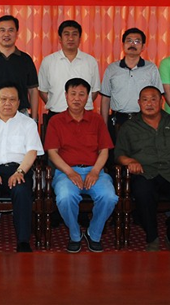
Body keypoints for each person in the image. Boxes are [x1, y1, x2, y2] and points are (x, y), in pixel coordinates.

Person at [114, 86, 170, 251]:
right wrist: (130, 161)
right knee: (143, 193)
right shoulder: (129, 126)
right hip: (144, 172)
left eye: (153, 99)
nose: (149, 103)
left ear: (161, 101)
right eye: (145, 100)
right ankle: (152, 237)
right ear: (139, 103)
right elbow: (119, 154)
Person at [45, 78, 118, 253]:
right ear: (66, 96)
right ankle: (75, 234)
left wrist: (95, 171)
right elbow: (52, 153)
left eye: (81, 94)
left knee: (109, 197)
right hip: (66, 172)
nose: (77, 98)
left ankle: (94, 234)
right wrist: (70, 172)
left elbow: (104, 151)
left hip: (95, 171)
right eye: (73, 94)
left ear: (88, 98)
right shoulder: (56, 121)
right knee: (65, 198)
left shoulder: (97, 120)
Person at [0, 82, 44, 252]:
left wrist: (20, 172)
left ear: (19, 102)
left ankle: (23, 241)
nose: (7, 103)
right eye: (3, 99)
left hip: (19, 170)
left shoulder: (28, 123)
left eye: (12, 99)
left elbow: (32, 152)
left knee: (21, 191)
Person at [100, 27, 163, 141]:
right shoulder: (112, 69)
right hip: (118, 121)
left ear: (143, 47)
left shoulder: (151, 69)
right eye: (129, 41)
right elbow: (105, 99)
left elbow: (158, 99)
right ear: (123, 45)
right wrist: (104, 126)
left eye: (137, 41)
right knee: (118, 151)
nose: (132, 44)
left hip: (144, 121)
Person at [0, 15, 39, 121]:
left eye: (11, 30)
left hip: (20, 116)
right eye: (2, 30)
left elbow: (33, 91)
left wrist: (34, 119)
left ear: (17, 33)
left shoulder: (25, 59)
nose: (6, 34)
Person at [39, 20, 100, 125]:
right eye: (66, 34)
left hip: (84, 117)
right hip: (56, 115)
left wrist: (79, 106)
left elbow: (94, 91)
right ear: (60, 39)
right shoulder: (48, 61)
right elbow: (42, 90)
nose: (71, 38)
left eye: (74, 34)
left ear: (80, 38)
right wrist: (55, 103)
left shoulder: (90, 61)